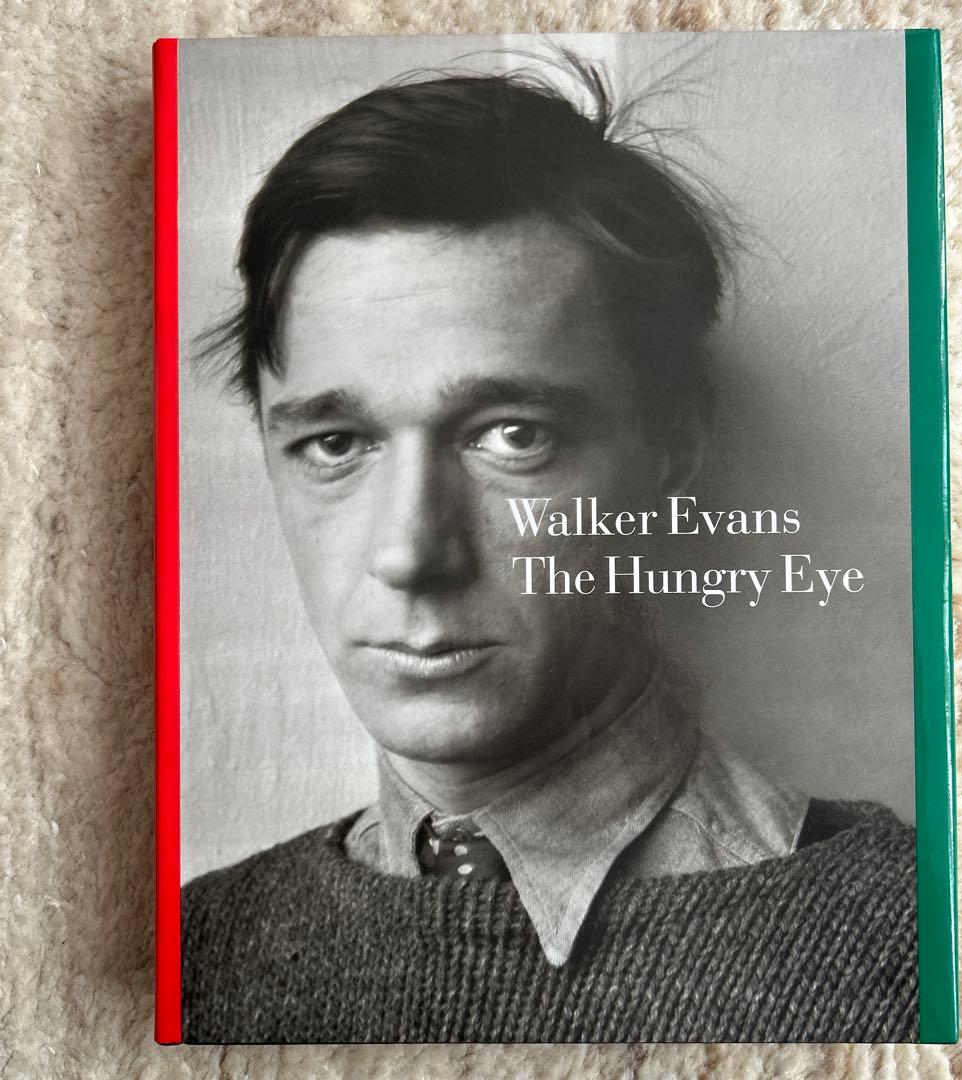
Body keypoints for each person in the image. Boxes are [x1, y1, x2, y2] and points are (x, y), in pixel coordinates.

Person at [181, 59, 918, 1044]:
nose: (408, 553)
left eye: (514, 435)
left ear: (673, 447)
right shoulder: (192, 955)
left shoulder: (923, 944)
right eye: (336, 443)